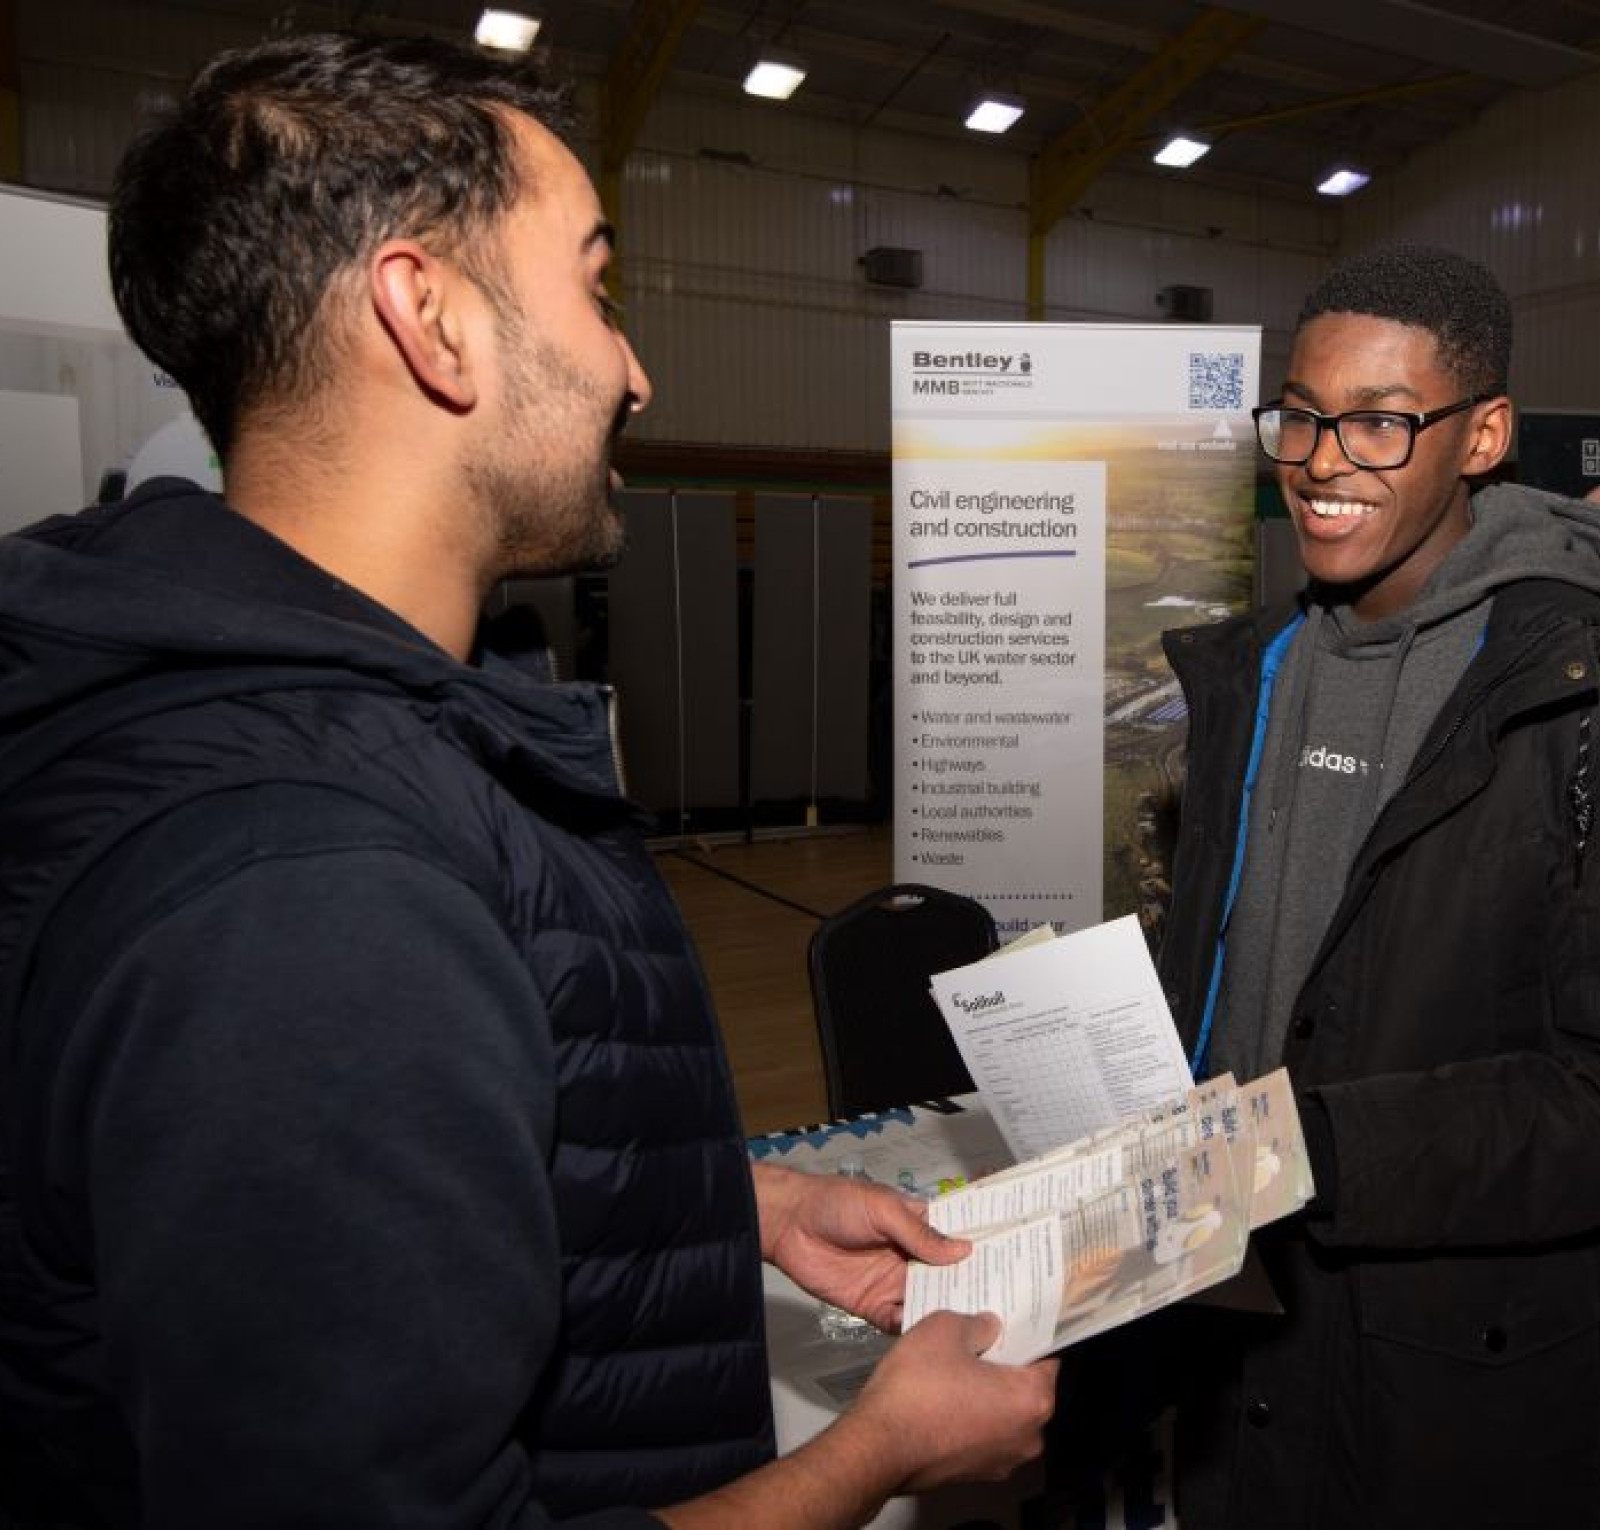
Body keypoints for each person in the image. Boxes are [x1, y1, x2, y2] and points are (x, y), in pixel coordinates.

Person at [0, 32, 1058, 1530]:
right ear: (429, 317)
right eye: (595, 285)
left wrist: (720, 1206)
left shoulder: (340, 736)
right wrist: (877, 1453)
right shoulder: (310, 898)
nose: (634, 367)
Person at [1156, 244, 1600, 1527]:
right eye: (1298, 415)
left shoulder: (1566, 695)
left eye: (1379, 421)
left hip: (1453, 1373)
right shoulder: (1253, 668)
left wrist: (1307, 1152)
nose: (1319, 459)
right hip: (1230, 1336)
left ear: (1484, 436)